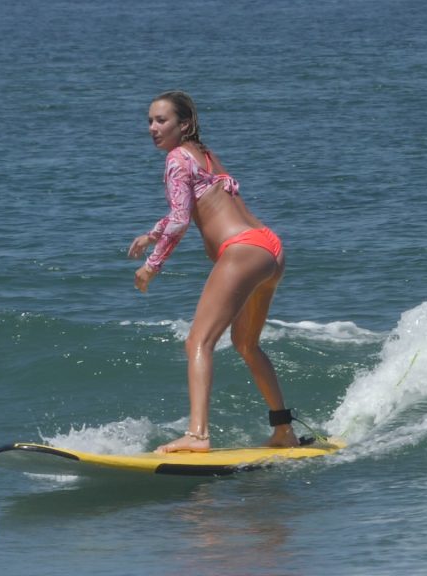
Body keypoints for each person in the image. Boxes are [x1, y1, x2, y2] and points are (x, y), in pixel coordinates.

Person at [128, 91, 299, 453]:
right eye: (149, 121)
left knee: (198, 342)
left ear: (184, 124)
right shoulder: (205, 156)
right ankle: (283, 429)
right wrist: (151, 234)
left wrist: (151, 265)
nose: (152, 128)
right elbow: (196, 206)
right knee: (246, 344)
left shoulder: (176, 158)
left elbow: (180, 221)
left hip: (241, 252)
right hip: (269, 247)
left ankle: (197, 435)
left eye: (162, 121)